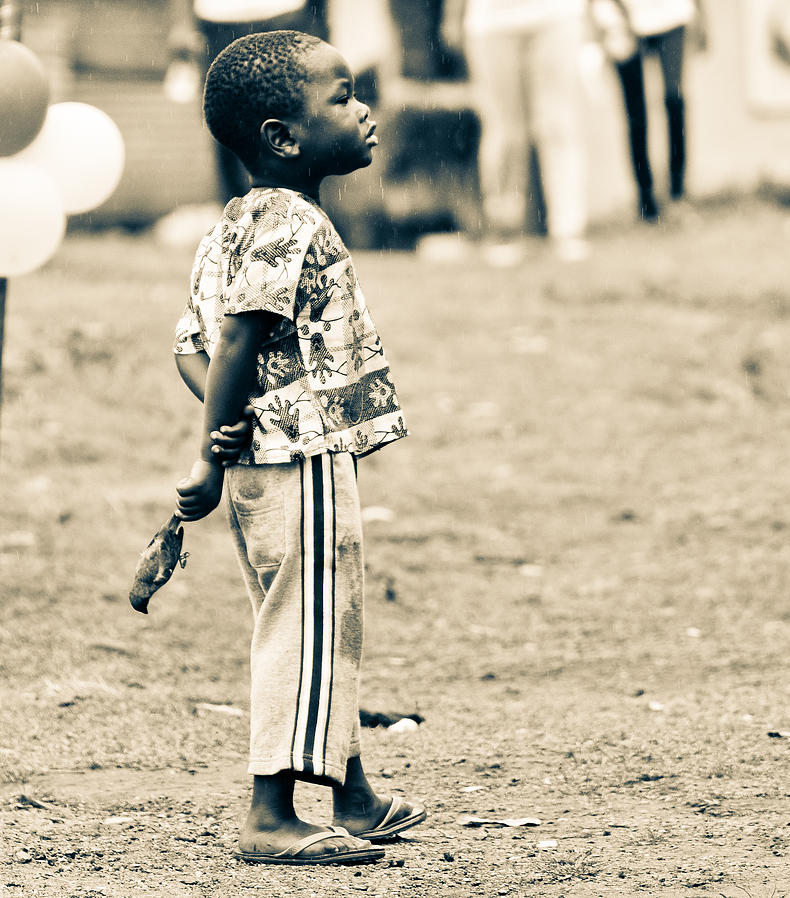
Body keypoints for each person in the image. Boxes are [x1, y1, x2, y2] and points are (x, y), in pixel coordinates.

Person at [170, 30, 424, 866]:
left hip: (266, 459)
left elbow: (191, 347)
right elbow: (237, 343)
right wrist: (211, 453)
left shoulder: (234, 224)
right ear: (284, 136)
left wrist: (226, 426)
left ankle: (350, 794)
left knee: (317, 618)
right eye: (344, 97)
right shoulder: (290, 221)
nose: (364, 111)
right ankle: (269, 813)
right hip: (298, 459)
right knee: (308, 623)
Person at [443, 0, 592, 263]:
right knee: (505, 131)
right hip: (493, 22)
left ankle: (568, 229)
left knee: (558, 126)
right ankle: (505, 229)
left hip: (557, 15)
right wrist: (453, 15)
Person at [166, 0, 328, 204]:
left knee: (301, 132)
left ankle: (307, 221)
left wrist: (320, 20)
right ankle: (245, 227)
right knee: (229, 134)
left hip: (287, 14)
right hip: (220, 20)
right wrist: (182, 23)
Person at [591, 0, 706, 222]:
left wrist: (701, 13)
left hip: (672, 15)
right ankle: (645, 200)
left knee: (675, 102)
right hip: (619, 19)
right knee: (636, 113)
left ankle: (677, 193)